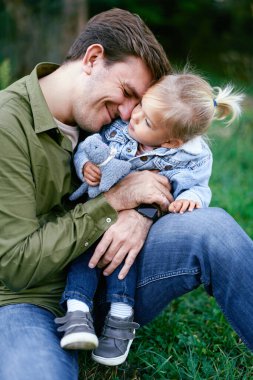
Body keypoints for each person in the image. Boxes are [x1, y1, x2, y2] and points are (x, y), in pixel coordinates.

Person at [0, 7, 252, 380]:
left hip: (114, 281)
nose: (127, 114)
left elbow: (157, 173)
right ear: (93, 58)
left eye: (138, 105)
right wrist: (113, 201)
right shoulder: (8, 125)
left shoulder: (114, 121)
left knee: (215, 230)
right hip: (27, 301)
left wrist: (140, 213)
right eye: (126, 93)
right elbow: (16, 264)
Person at [55, 72, 243, 367]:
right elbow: (89, 146)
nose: (135, 115)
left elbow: (196, 187)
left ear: (170, 142)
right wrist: (85, 166)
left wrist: (190, 199)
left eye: (147, 121)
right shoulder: (120, 128)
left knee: (123, 263)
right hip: (92, 218)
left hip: (131, 241)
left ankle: (119, 321)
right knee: (84, 259)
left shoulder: (187, 157)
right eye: (141, 105)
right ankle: (77, 312)